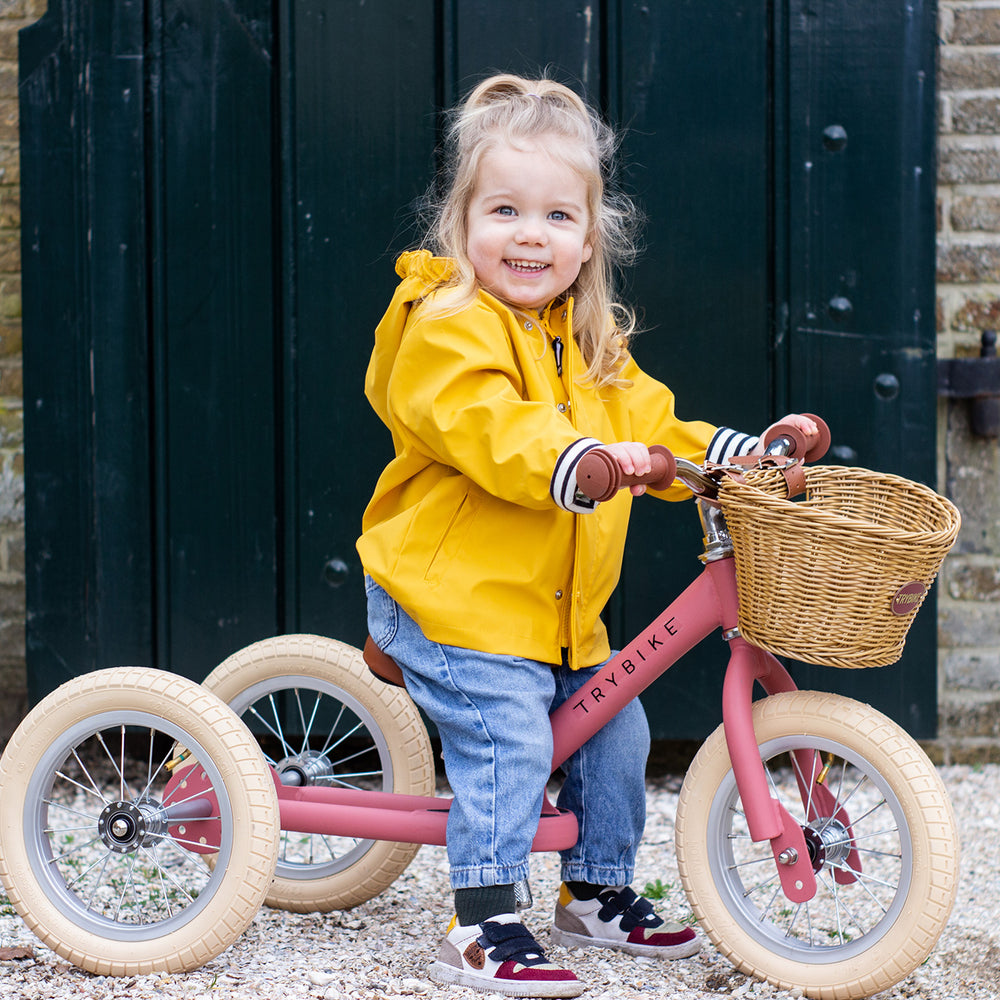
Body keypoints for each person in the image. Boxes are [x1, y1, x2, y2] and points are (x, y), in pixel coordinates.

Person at [357, 73, 817, 998]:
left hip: (558, 616)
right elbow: (484, 424)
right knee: (509, 741)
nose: (531, 234)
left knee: (618, 727)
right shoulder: (444, 326)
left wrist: (743, 454)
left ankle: (595, 891)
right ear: (461, 221)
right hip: (456, 606)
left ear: (588, 238)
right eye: (506, 210)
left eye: (558, 216)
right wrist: (576, 461)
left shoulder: (591, 342)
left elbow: (658, 423)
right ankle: (482, 919)